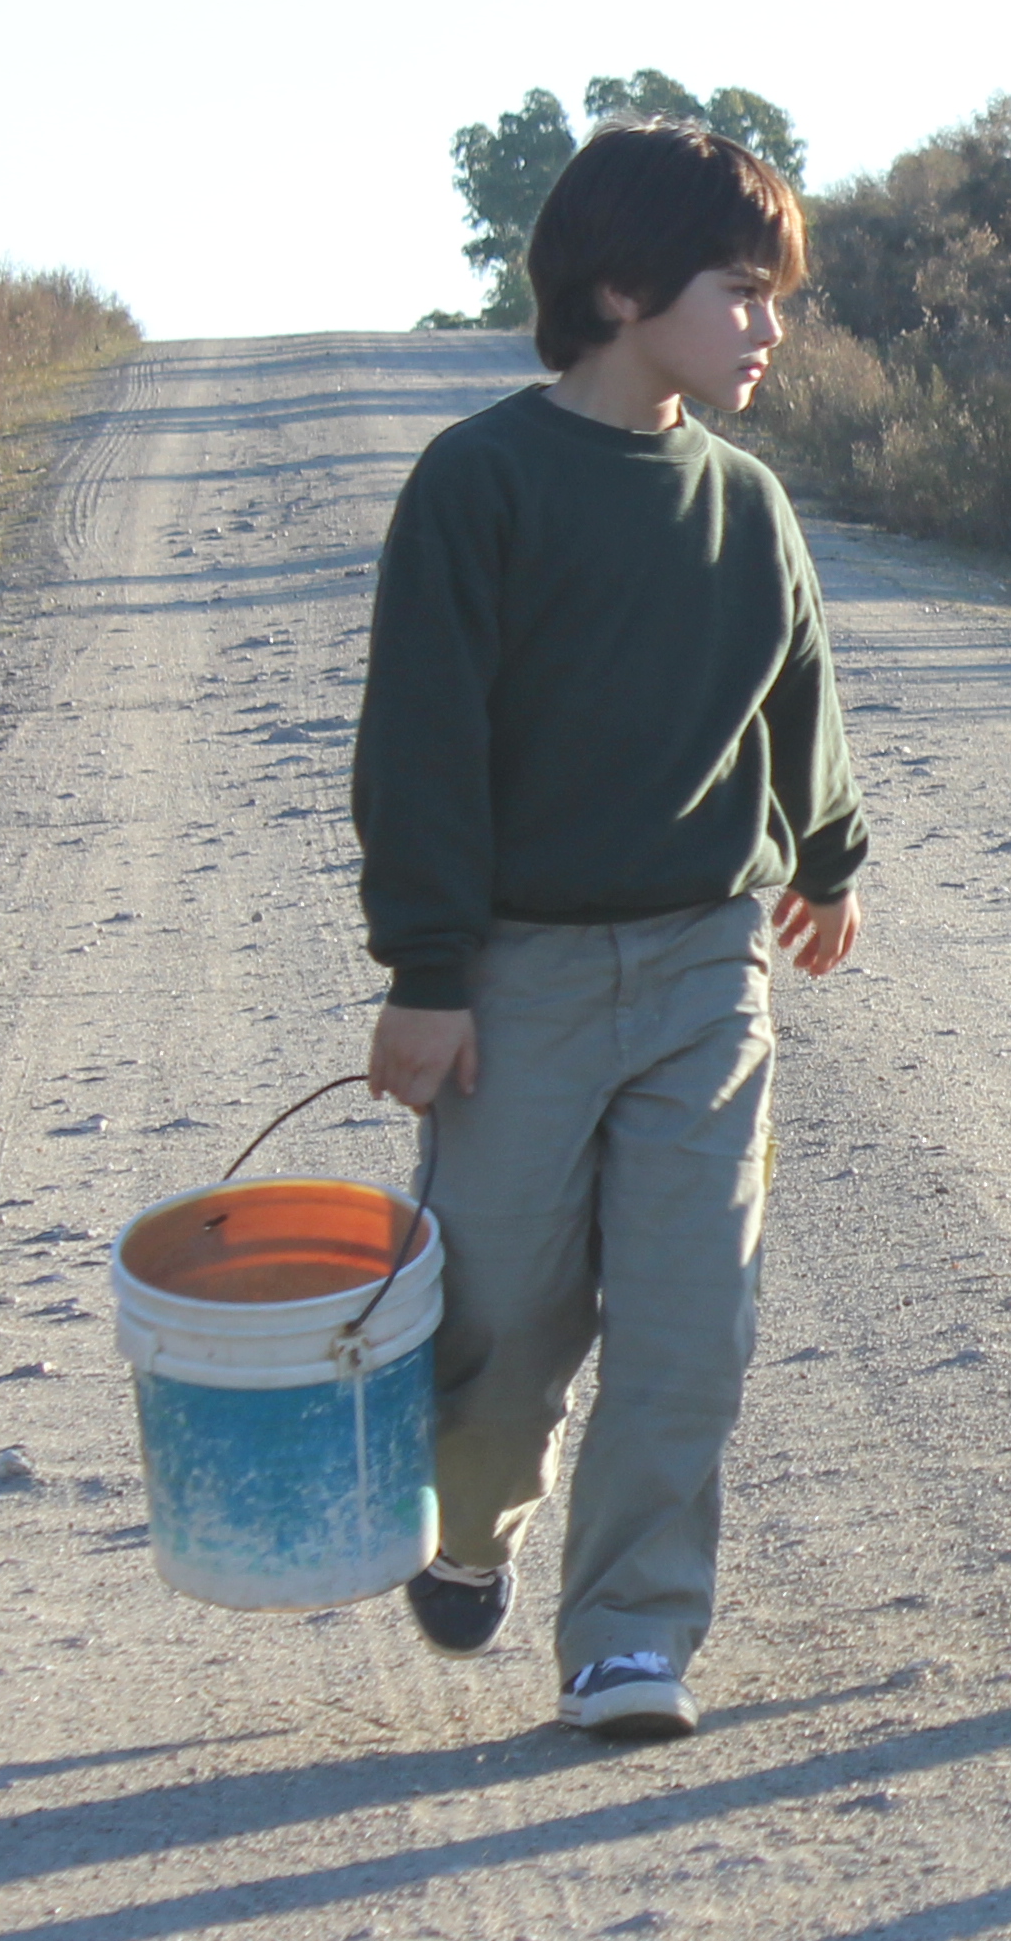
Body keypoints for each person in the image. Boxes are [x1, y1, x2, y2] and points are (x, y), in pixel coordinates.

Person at [352, 123, 866, 1742]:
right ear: (625, 287)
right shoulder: (480, 484)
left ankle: (630, 1637)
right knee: (500, 1310)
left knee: (687, 1314)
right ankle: (470, 1520)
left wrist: (828, 856)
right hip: (517, 976)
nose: (769, 329)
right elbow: (420, 746)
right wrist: (428, 976)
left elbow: (799, 694)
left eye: (774, 300)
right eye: (742, 294)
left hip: (707, 970)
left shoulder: (747, 504)